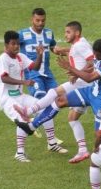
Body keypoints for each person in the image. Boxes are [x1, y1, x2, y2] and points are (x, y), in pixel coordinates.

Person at [15, 39, 101, 164]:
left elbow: (91, 78)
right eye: (94, 53)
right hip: (90, 92)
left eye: (97, 54)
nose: (95, 56)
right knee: (60, 100)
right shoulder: (99, 54)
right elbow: (92, 66)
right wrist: (78, 73)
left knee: (100, 135)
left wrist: (71, 68)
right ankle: (31, 126)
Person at [15, 21, 96, 163]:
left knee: (53, 93)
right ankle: (83, 150)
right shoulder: (78, 45)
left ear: (76, 33)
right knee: (72, 118)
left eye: (68, 32)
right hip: (85, 85)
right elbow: (77, 52)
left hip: (82, 84)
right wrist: (64, 50)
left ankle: (28, 113)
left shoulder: (80, 45)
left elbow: (92, 61)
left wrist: (77, 73)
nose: (65, 34)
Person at [0, 30, 67, 162]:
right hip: (7, 99)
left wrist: (39, 55)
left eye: (17, 43)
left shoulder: (20, 57)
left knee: (45, 109)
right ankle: (20, 153)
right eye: (13, 44)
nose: (16, 46)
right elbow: (4, 78)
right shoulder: (3, 59)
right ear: (6, 45)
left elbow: (35, 67)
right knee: (23, 121)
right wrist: (24, 82)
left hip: (20, 95)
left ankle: (52, 143)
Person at [18, 8, 63, 146]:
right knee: (43, 102)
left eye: (43, 20)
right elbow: (11, 49)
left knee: (59, 99)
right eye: (37, 20)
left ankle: (32, 121)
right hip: (33, 74)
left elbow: (53, 47)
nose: (40, 23)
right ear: (32, 19)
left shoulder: (49, 33)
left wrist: (61, 51)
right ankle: (51, 140)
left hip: (47, 74)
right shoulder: (22, 34)